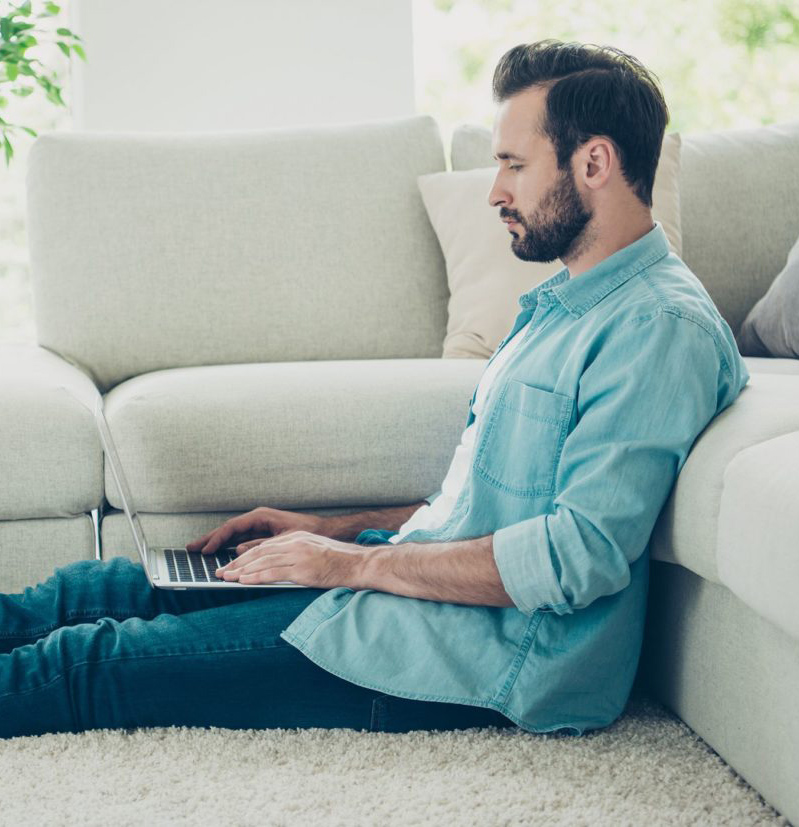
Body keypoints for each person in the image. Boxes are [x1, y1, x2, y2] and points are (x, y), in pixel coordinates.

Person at [0, 39, 749, 739]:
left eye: (514, 165)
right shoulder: (565, 306)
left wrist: (350, 564)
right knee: (94, 590)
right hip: (405, 587)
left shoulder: (657, 329)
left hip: (475, 656)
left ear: (593, 163)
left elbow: (576, 555)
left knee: (89, 663)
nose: (494, 190)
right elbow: (485, 510)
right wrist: (336, 528)